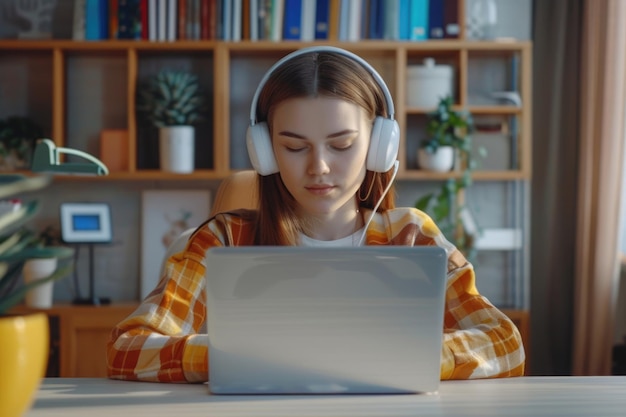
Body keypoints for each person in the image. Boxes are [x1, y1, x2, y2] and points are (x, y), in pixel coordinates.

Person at [106, 46, 525, 383]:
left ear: (380, 147)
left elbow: (505, 342)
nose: (319, 167)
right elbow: (128, 350)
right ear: (265, 152)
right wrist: (248, 355)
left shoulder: (411, 234)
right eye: (293, 147)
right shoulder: (225, 238)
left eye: (341, 145)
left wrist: (411, 355)